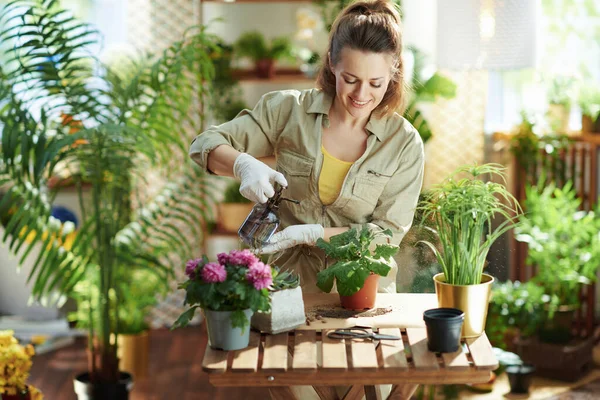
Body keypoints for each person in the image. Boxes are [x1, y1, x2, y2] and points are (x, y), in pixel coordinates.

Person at [190, 0, 424, 295]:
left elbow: (387, 235)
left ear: (394, 73)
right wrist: (243, 164)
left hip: (358, 296)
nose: (361, 95)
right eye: (350, 80)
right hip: (280, 286)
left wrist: (315, 235)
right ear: (331, 63)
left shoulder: (403, 143)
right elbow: (204, 145)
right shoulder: (287, 111)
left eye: (375, 83)